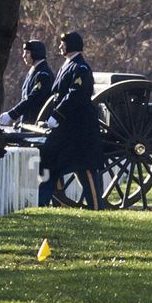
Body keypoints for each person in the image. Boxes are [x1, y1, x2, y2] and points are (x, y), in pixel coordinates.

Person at [38, 31, 104, 208]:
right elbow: (58, 94)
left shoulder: (80, 67)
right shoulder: (68, 65)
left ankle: (96, 207)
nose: (60, 46)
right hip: (67, 126)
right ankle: (56, 201)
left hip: (79, 126)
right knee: (50, 159)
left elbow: (75, 95)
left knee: (85, 169)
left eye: (63, 43)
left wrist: (57, 115)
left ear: (72, 45)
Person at [0, 40, 54, 126]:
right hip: (29, 122)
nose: (24, 56)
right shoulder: (34, 71)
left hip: (36, 124)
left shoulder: (43, 74)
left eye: (27, 53)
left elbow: (33, 98)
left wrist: (12, 114)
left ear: (36, 53)